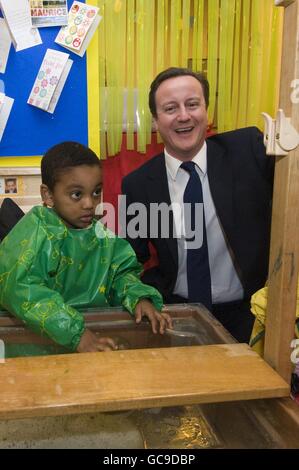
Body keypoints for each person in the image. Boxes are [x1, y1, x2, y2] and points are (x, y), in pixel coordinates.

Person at [122, 67, 274, 343]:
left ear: (207, 112)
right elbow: (129, 259)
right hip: (175, 314)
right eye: (170, 108)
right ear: (155, 121)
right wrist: (140, 296)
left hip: (250, 315)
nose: (183, 115)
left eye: (192, 104)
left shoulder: (249, 150)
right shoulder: (138, 185)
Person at [0, 142, 172, 353]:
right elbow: (21, 289)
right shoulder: (34, 233)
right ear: (48, 195)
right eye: (76, 195)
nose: (90, 204)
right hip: (35, 351)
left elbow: (120, 273)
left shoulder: (100, 236)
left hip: (94, 340)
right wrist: (76, 333)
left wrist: (139, 297)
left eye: (96, 192)